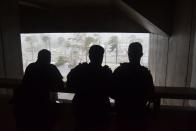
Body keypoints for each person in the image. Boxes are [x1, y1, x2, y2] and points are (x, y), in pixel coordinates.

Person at [13, 49, 64, 130]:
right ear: (48, 58)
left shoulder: (30, 67)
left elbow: (25, 82)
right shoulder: (51, 68)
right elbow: (61, 85)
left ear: (38, 57)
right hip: (45, 104)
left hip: (29, 104)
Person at [67, 45, 112, 129]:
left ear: (90, 56)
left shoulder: (80, 69)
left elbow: (69, 85)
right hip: (101, 110)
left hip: (81, 109)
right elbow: (112, 91)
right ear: (102, 56)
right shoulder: (106, 72)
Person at [113, 42, 154, 119]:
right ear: (141, 54)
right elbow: (150, 95)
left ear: (128, 54)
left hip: (122, 112)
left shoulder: (119, 71)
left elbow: (112, 92)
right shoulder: (145, 73)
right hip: (139, 112)